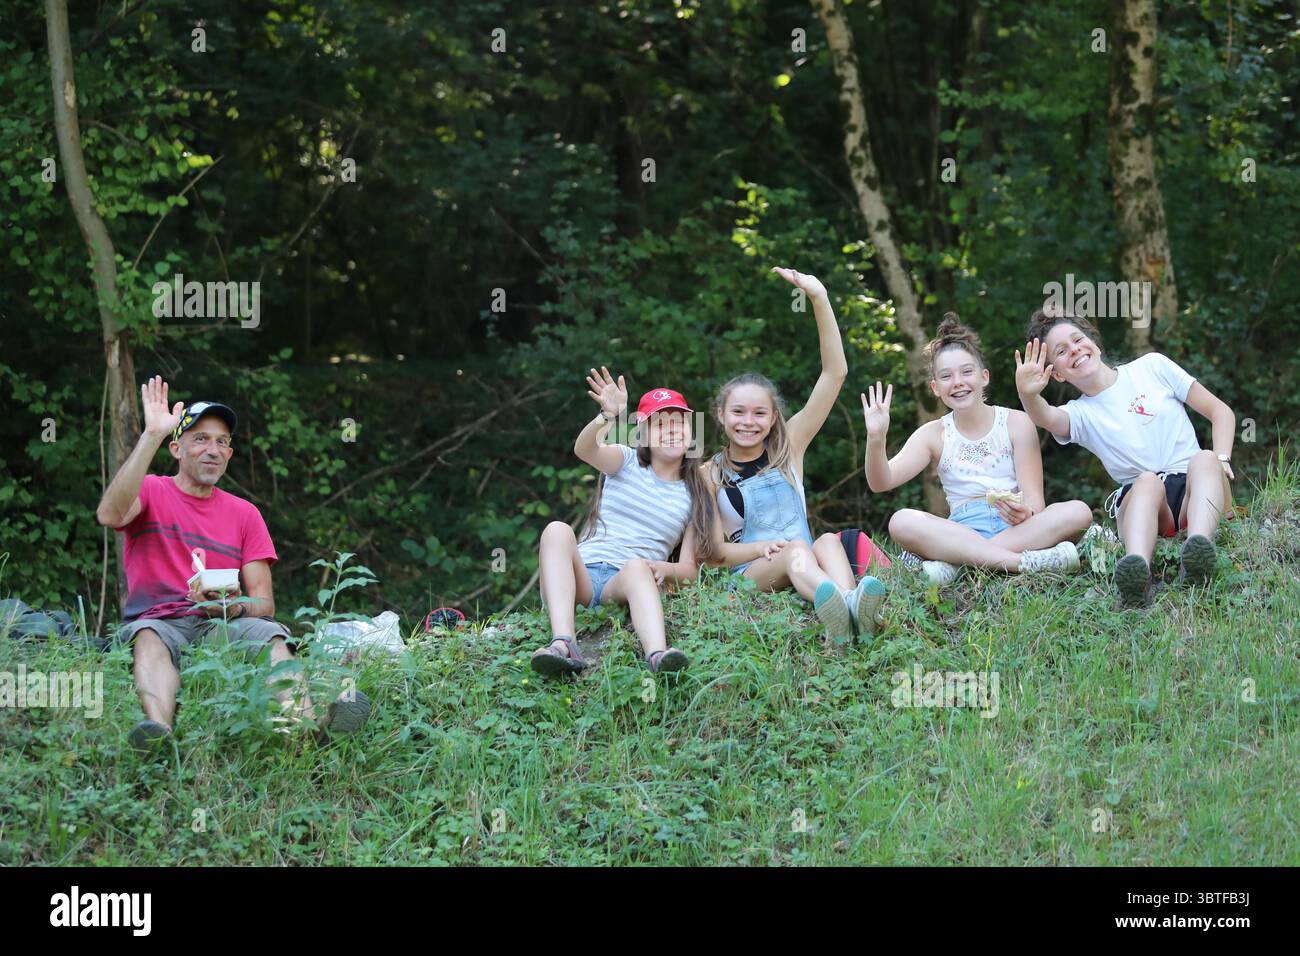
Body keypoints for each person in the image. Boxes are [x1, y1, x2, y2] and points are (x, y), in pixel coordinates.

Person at [95, 376, 370, 752]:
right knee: (148, 639)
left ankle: (308, 727)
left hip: (220, 626)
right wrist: (151, 436)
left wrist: (231, 604)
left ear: (229, 454)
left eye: (221, 442)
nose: (212, 450)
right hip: (160, 622)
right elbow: (109, 514)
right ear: (176, 448)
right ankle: (159, 735)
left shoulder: (245, 514)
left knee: (270, 635)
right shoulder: (151, 490)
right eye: (201, 439)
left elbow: (264, 604)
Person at [706, 267, 887, 643]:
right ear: (720, 415)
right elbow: (715, 554)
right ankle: (843, 602)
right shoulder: (709, 473)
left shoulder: (789, 448)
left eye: (760, 413)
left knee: (825, 542)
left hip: (806, 563)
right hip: (752, 574)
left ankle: (851, 612)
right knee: (796, 551)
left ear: (774, 418)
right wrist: (762, 549)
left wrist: (819, 298)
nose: (748, 422)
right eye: (738, 412)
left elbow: (835, 373)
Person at [1015, 310, 1236, 606]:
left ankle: (1198, 553)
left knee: (1205, 459)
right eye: (1062, 351)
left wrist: (1222, 459)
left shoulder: (1152, 367)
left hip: (1196, 491)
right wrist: (1028, 395)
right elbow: (1045, 417)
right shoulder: (1080, 414)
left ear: (1093, 341)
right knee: (1145, 481)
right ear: (1056, 373)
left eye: (1077, 340)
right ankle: (1137, 576)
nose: (1075, 350)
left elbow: (1221, 412)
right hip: (1148, 508)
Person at [864, 314, 1090, 584]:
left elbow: (1035, 504)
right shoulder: (933, 434)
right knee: (901, 521)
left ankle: (959, 564)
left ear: (984, 377)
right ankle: (1022, 563)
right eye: (946, 376)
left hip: (1017, 529)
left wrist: (1025, 512)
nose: (957, 382)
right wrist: (876, 438)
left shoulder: (1017, 422)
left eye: (966, 372)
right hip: (962, 531)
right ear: (936, 388)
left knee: (1078, 512)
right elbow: (881, 482)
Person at [530, 369, 716, 676]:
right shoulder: (625, 460)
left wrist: (659, 568)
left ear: (691, 430)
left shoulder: (694, 492)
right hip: (581, 578)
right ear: (642, 433)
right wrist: (607, 416)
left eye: (679, 422)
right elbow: (584, 449)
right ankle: (563, 642)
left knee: (635, 566)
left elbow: (688, 571)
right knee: (557, 530)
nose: (671, 429)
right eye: (659, 424)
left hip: (626, 582)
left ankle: (658, 655)